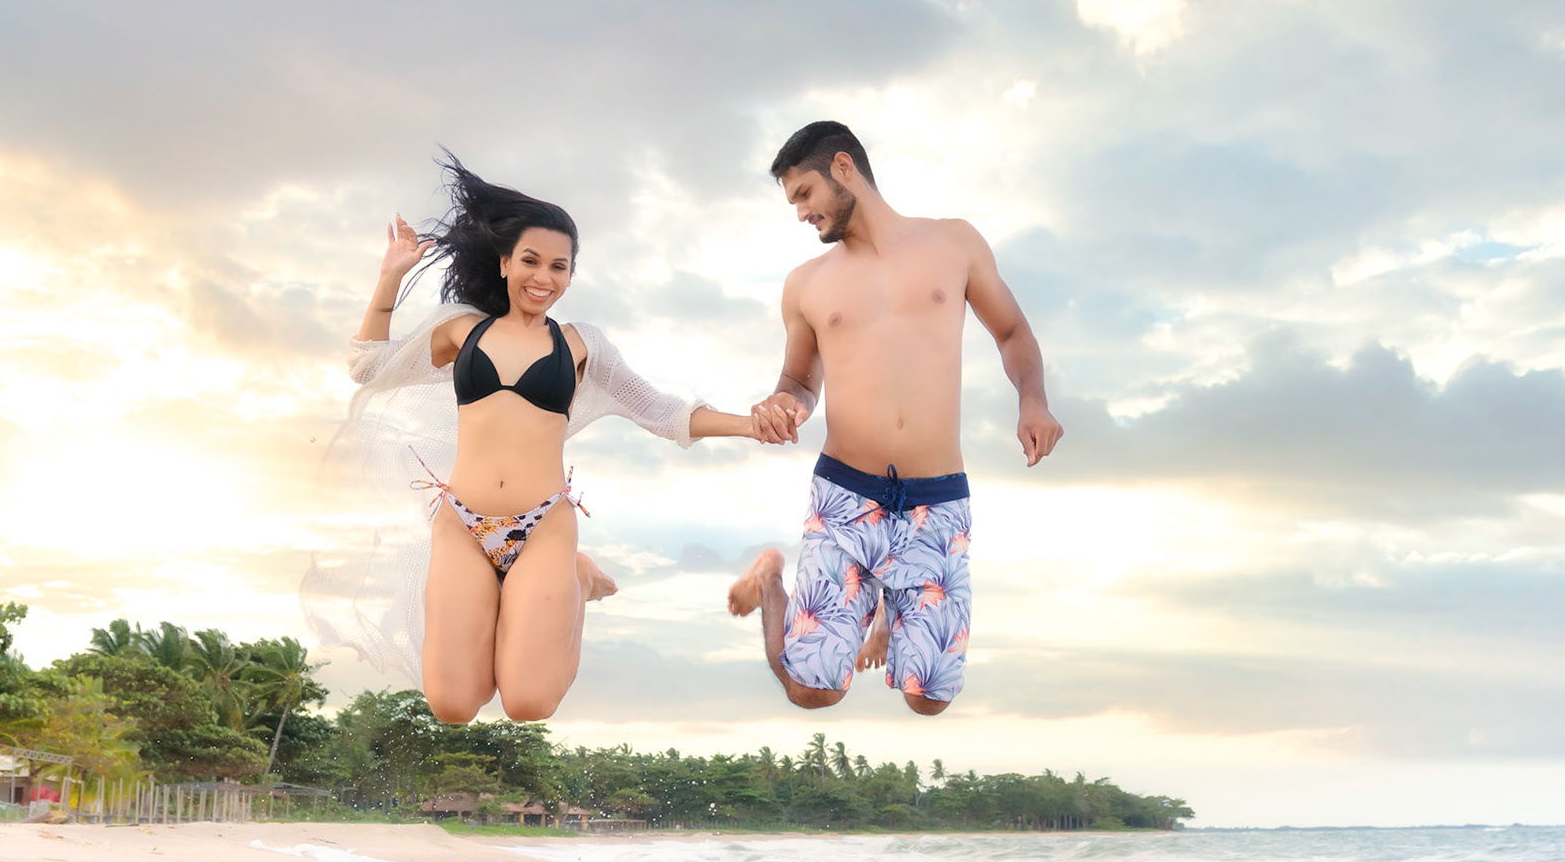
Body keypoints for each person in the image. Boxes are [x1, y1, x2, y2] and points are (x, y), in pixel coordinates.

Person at [310, 156, 758, 724]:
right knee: (453, 706)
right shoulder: (461, 330)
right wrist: (391, 275)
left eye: (559, 266)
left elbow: (664, 412)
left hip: (543, 524)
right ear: (504, 264)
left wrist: (749, 424)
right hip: (462, 523)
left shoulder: (579, 344)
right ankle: (546, 592)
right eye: (530, 261)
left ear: (571, 275)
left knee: (527, 705)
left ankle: (576, 573)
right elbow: (369, 366)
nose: (543, 277)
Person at [727, 121, 1063, 715]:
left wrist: (1031, 399)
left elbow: (1011, 332)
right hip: (845, 495)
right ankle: (769, 580)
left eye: (804, 194)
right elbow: (800, 382)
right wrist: (784, 403)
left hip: (937, 501)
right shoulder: (806, 284)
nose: (801, 213)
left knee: (928, 700)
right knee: (812, 691)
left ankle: (882, 601)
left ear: (843, 168)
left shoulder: (954, 243)